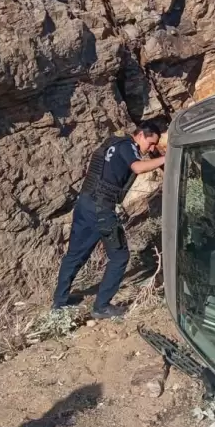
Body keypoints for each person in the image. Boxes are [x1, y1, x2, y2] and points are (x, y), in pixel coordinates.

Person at [52, 122, 166, 318]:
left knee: (75, 255)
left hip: (85, 202)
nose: (152, 148)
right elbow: (137, 167)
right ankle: (102, 307)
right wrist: (167, 158)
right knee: (120, 256)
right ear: (140, 135)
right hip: (101, 209)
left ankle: (59, 302)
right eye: (152, 143)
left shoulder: (113, 142)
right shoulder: (128, 146)